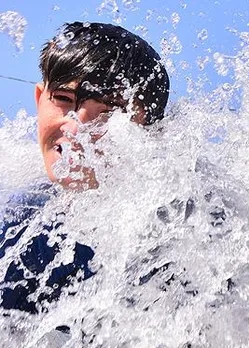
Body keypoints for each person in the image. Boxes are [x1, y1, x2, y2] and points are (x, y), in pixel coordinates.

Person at [0, 21, 169, 313]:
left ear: (151, 133)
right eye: (64, 100)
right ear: (40, 99)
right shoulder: (16, 226)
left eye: (108, 113)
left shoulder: (185, 230)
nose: (76, 129)